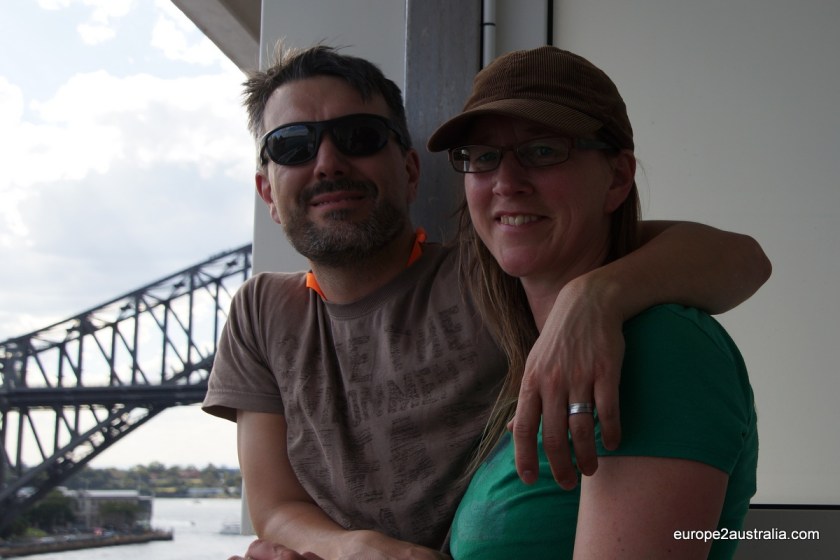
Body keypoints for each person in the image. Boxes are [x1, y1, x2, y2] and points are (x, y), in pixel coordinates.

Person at [203, 44, 770, 560]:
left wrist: (594, 295)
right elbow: (274, 508)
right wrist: (360, 551)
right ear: (266, 193)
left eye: (360, 137)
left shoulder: (496, 275)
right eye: (292, 146)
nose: (327, 162)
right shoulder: (261, 311)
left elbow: (741, 258)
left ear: (409, 169)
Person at [426, 46, 758, 559]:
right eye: (483, 156)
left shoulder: (659, 348)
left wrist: (594, 293)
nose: (506, 182)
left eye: (543, 150)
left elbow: (749, 258)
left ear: (617, 178)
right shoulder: (540, 352)